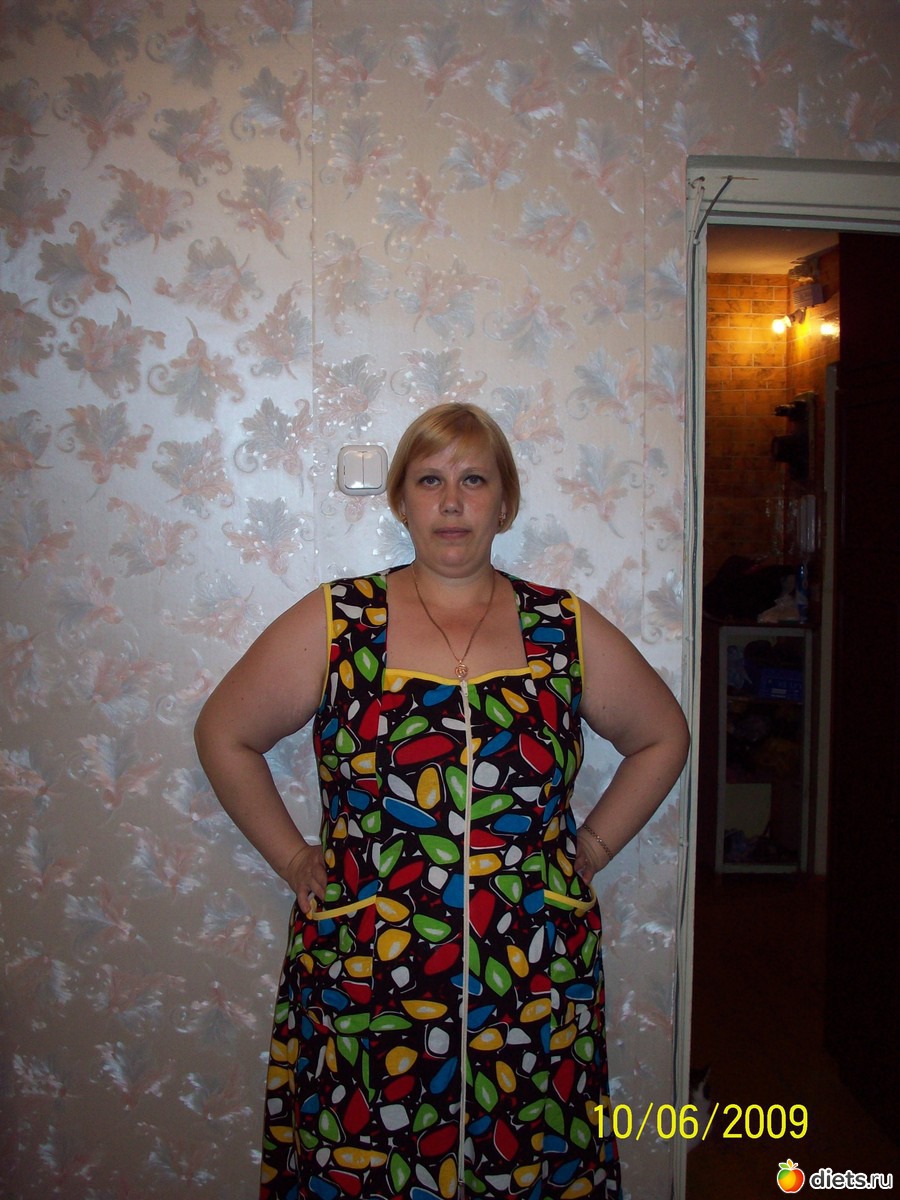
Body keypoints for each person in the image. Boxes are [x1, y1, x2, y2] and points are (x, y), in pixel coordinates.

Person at [194, 402, 690, 1200]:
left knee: (527, 1158)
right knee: (365, 1163)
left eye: (474, 480)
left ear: (506, 502)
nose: (452, 502)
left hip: (531, 972)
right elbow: (225, 732)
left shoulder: (560, 627)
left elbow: (663, 735)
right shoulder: (342, 621)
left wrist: (592, 849)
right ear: (400, 500)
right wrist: (291, 857)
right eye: (429, 480)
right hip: (370, 975)